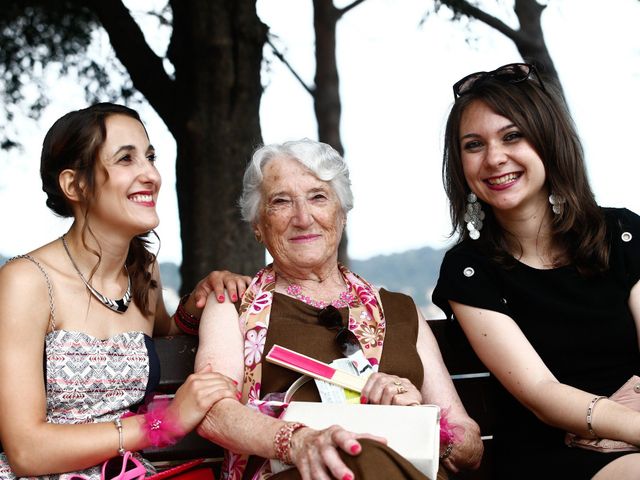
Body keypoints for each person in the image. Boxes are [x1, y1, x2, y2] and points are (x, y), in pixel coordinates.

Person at [194, 139, 483, 480]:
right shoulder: (234, 305)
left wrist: (421, 418)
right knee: (353, 455)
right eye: (281, 202)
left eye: (318, 197)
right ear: (258, 226)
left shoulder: (399, 310)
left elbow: (470, 446)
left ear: (341, 214)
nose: (303, 218)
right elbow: (212, 411)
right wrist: (299, 441)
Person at [0, 103, 240, 479]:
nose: (151, 175)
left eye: (150, 157)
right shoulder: (26, 282)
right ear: (74, 185)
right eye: (126, 159)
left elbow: (170, 330)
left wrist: (202, 298)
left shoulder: (142, 271)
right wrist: (160, 425)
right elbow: (27, 451)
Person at [432, 63, 640, 479]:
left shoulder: (621, 234)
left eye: (512, 136)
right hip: (552, 454)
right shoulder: (470, 271)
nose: (494, 158)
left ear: (548, 140)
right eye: (474, 145)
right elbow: (542, 394)